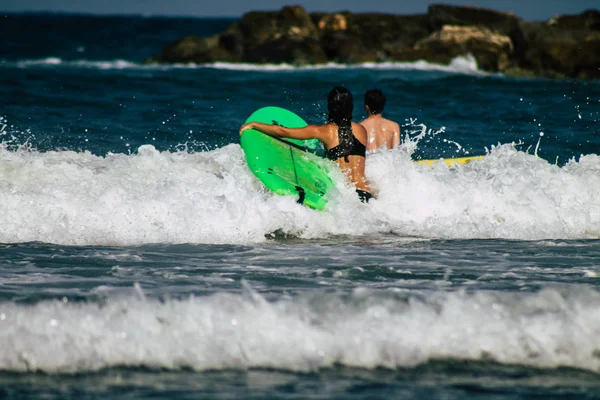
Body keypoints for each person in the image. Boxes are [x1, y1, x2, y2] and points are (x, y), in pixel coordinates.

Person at [239, 86, 372, 203]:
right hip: (366, 192)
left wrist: (255, 124)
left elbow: (283, 132)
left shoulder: (323, 131)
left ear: (330, 106)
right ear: (350, 106)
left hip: (349, 196)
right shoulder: (361, 130)